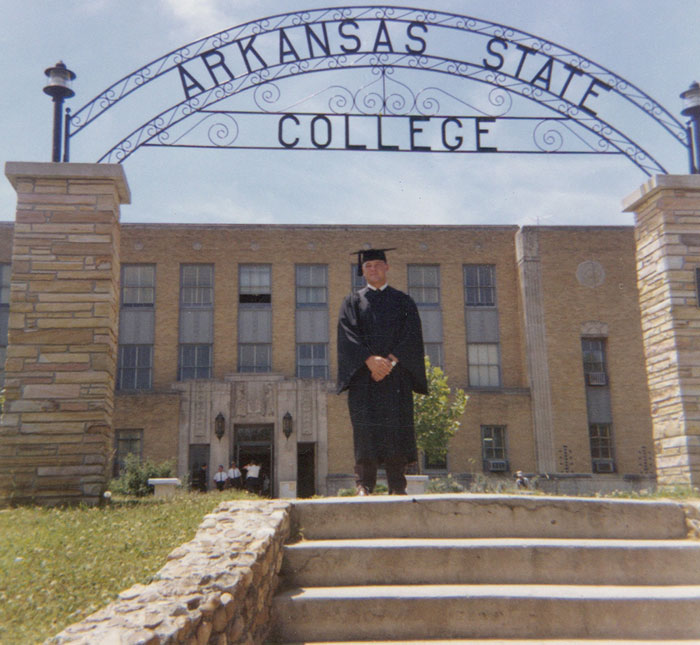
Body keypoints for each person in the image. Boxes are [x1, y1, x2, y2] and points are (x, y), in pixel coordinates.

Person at [337, 248, 428, 496]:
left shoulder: (403, 301)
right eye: (368, 266)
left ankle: (397, 485)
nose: (373, 269)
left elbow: (411, 335)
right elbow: (347, 336)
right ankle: (364, 484)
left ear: (387, 267)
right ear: (362, 270)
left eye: (377, 265)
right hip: (364, 377)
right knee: (365, 428)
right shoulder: (352, 302)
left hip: (395, 376)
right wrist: (369, 360)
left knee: (395, 428)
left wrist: (389, 362)